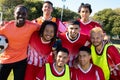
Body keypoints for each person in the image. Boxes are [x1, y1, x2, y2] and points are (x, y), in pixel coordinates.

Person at [0, 5, 39, 80]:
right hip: (5, 59)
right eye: (18, 13)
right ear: (14, 14)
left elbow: (45, 29)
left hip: (21, 61)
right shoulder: (5, 26)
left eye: (24, 14)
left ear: (27, 15)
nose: (21, 15)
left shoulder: (32, 26)